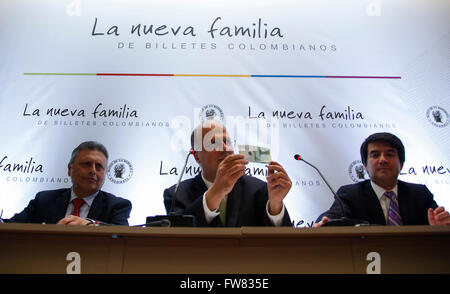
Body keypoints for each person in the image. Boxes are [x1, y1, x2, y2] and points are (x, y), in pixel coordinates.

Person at [163, 120, 292, 227]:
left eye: (227, 142)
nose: (224, 147)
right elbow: (179, 238)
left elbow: (282, 245)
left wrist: (275, 206)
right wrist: (216, 192)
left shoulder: (260, 190)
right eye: (213, 143)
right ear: (197, 157)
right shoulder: (176, 194)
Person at [314, 132, 450, 227]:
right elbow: (332, 218)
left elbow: (438, 222)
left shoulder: (419, 194)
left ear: (401, 163)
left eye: (389, 154)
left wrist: (440, 225)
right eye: (375, 155)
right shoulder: (351, 194)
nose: (383, 160)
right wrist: (325, 223)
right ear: (365, 166)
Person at [7, 141, 132, 226]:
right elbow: (10, 227)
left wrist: (90, 225)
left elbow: (122, 236)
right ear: (69, 169)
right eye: (86, 164)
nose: (93, 171)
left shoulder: (117, 206)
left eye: (99, 166)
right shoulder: (44, 200)